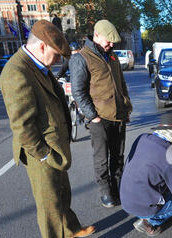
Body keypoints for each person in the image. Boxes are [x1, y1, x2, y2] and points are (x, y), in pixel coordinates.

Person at [0, 20, 95, 238]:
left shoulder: (36, 64)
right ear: (42, 46)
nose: (57, 61)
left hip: (54, 147)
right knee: (49, 203)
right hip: (41, 151)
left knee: (62, 192)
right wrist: (42, 155)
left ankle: (70, 229)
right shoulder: (16, 72)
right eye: (55, 55)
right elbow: (22, 125)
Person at [69, 20, 133, 208]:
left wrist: (126, 107)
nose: (111, 45)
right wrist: (93, 116)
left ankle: (118, 188)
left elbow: (121, 84)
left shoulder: (111, 56)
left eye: (113, 42)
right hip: (100, 118)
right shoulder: (81, 57)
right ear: (97, 35)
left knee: (118, 156)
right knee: (101, 158)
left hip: (118, 115)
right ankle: (105, 191)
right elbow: (78, 91)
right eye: (109, 41)